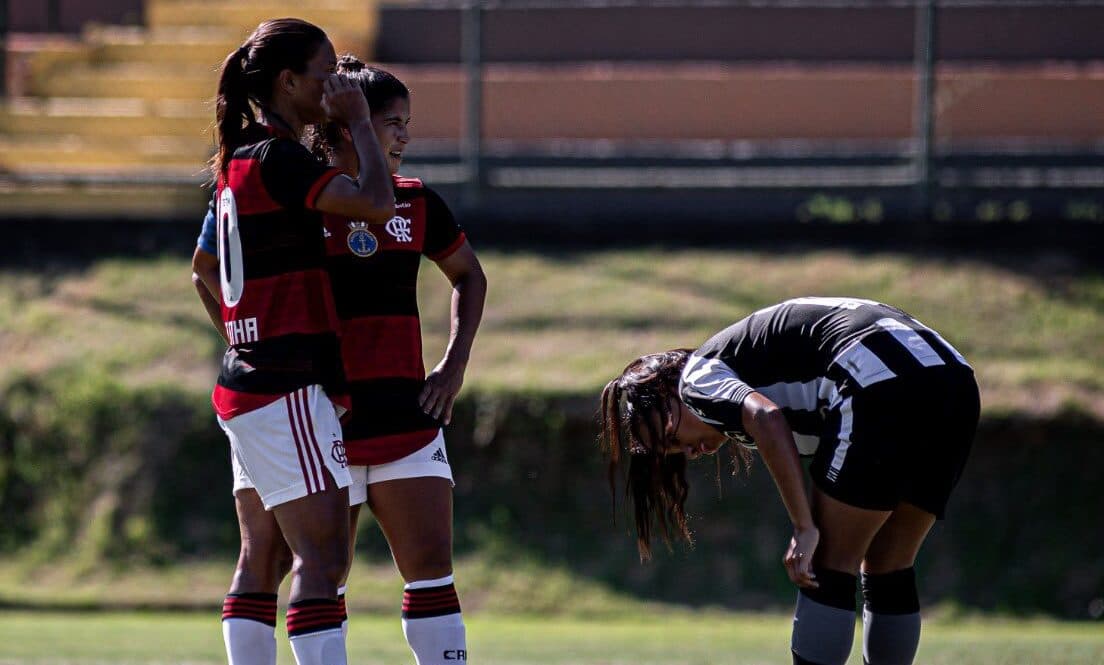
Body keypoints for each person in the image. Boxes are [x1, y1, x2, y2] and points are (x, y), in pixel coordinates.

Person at [193, 55, 487, 665]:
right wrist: (249, 342)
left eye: (407, 122)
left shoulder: (415, 202)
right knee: (313, 570)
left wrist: (453, 367)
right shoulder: (292, 193)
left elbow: (468, 275)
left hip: (404, 415)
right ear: (343, 126)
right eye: (390, 122)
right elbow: (208, 267)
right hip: (320, 411)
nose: (404, 135)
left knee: (431, 568)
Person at [598, 297, 979, 665]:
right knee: (888, 566)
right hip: (953, 380)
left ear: (669, 391)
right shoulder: (747, 366)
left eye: (674, 439)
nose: (690, 452)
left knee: (826, 565)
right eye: (677, 453)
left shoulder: (695, 378)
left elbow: (767, 419)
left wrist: (804, 527)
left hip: (877, 381)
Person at [204, 17, 395, 665]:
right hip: (284, 383)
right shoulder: (278, 159)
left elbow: (204, 268)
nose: (334, 85)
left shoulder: (237, 160)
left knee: (265, 555)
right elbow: (376, 204)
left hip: (246, 379)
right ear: (289, 82)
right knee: (323, 556)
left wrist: (244, 336)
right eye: (323, 76)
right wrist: (362, 121)